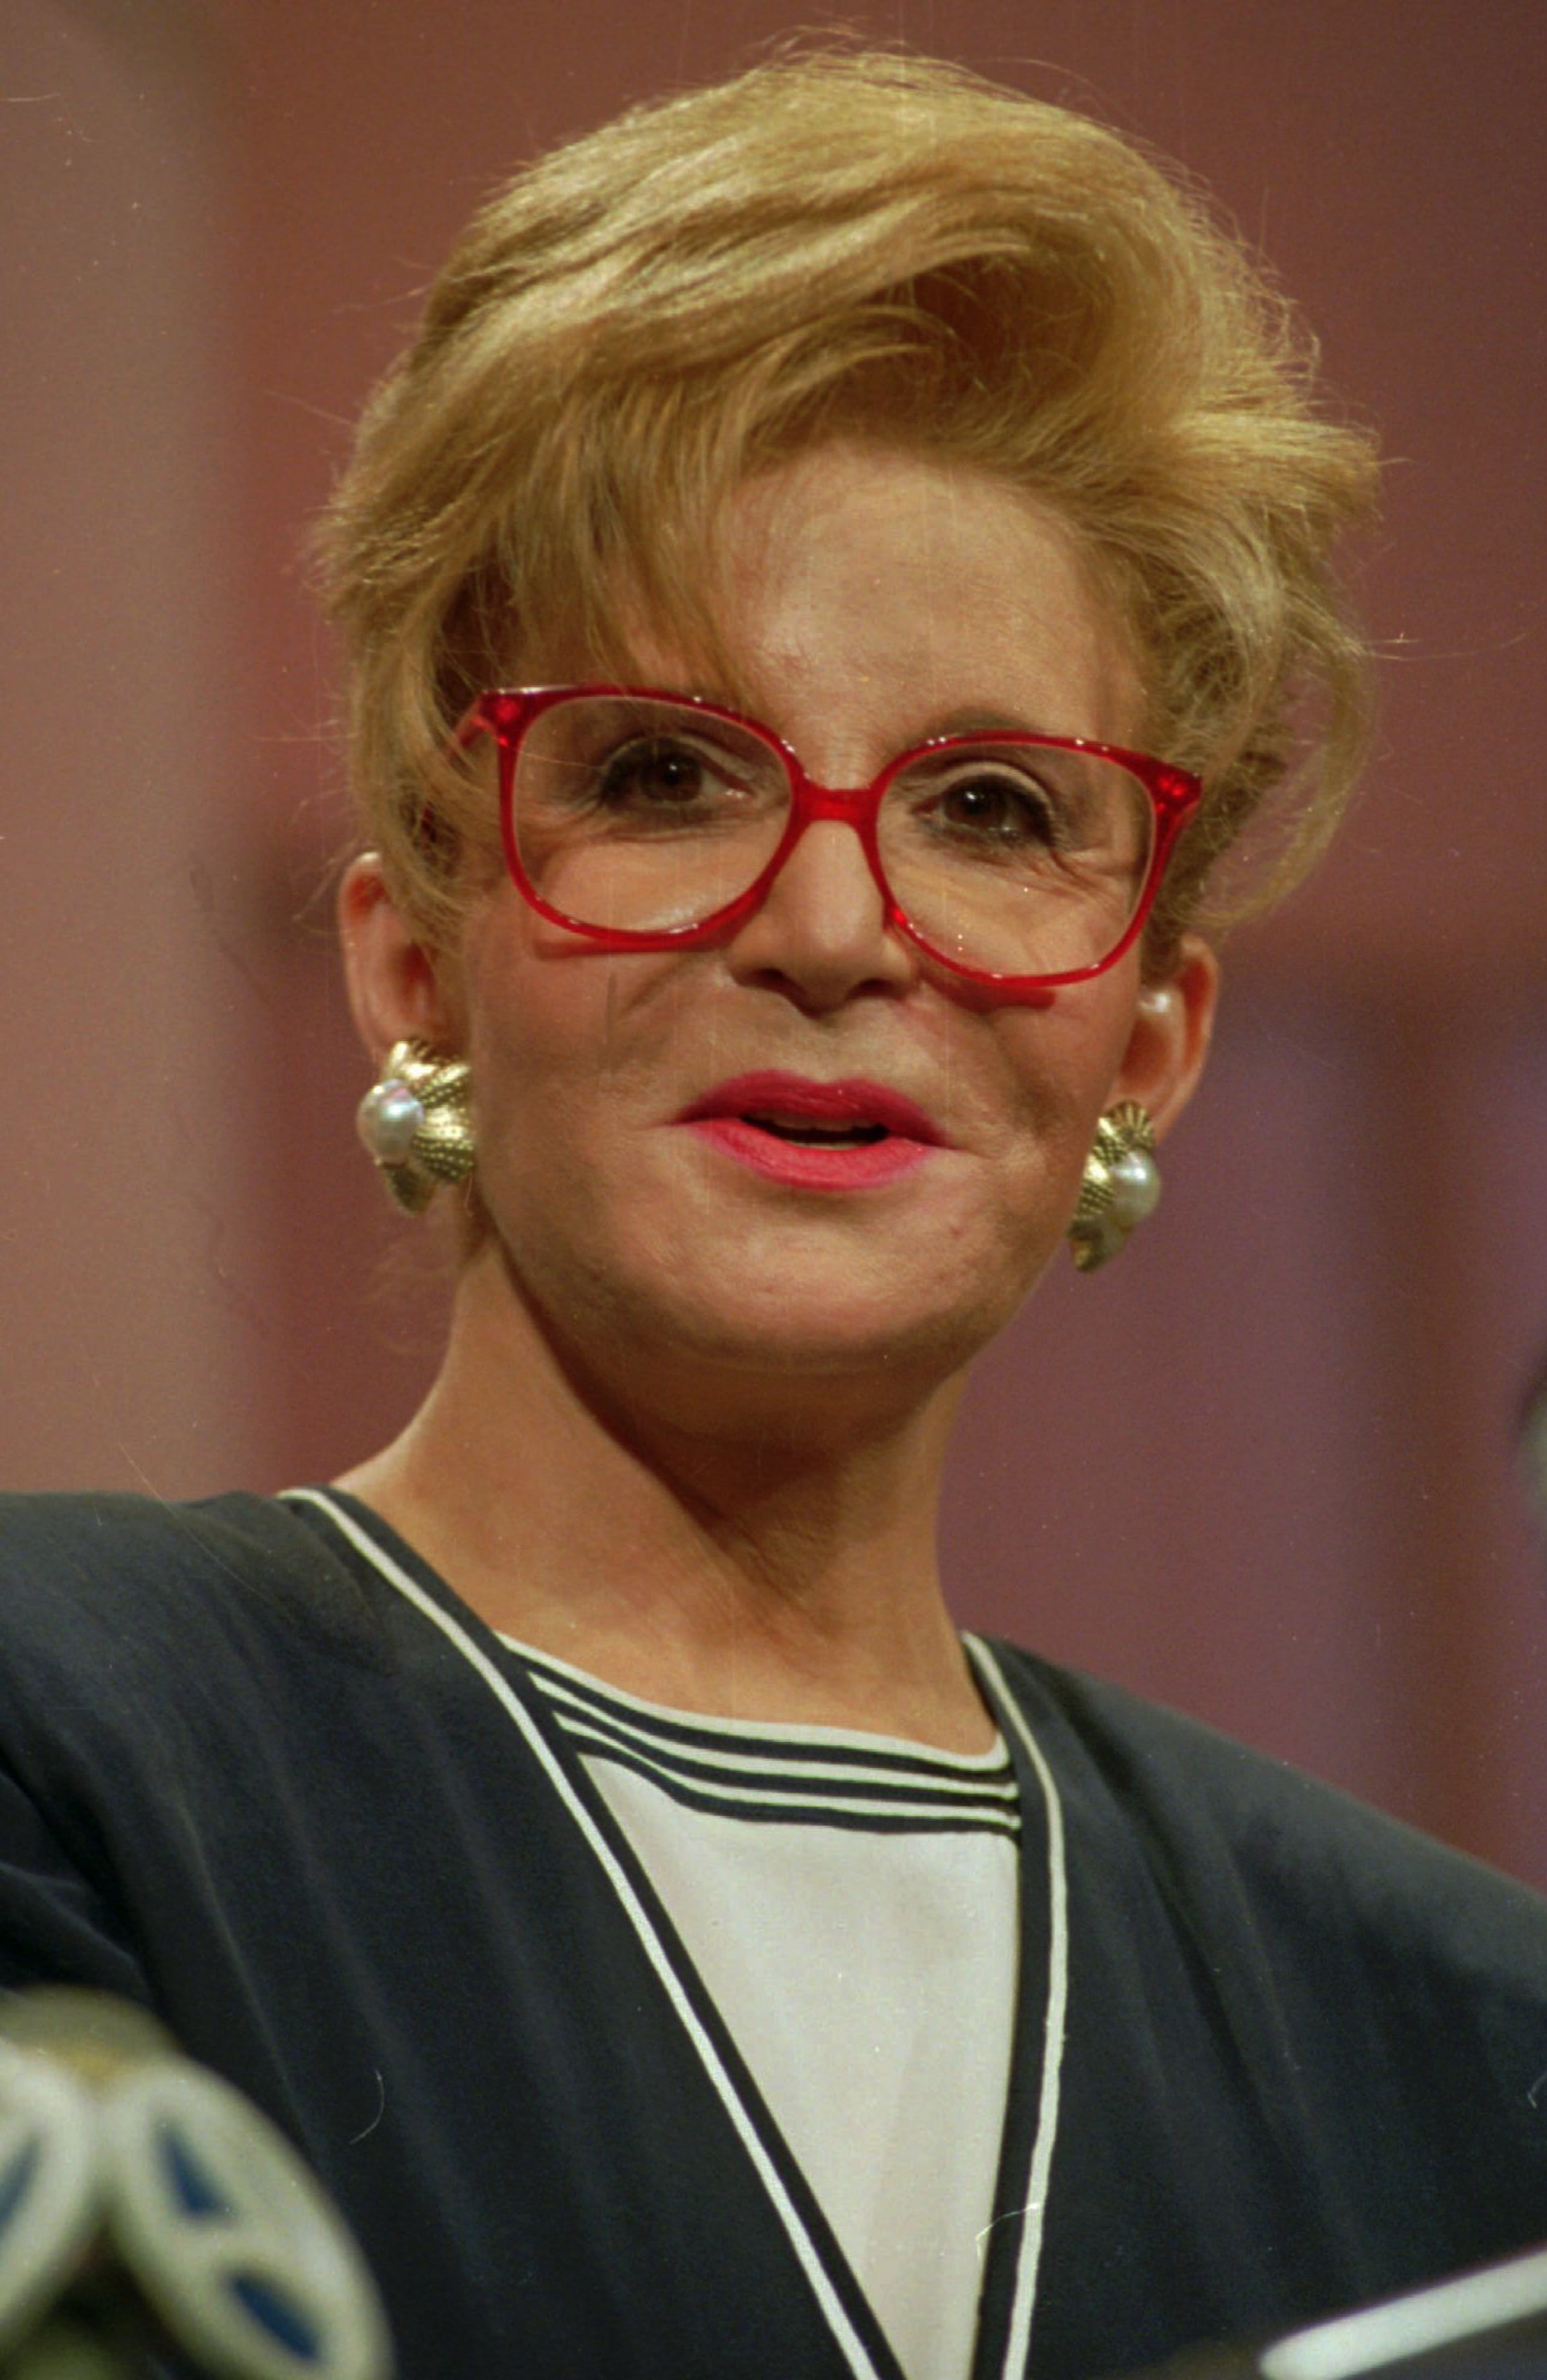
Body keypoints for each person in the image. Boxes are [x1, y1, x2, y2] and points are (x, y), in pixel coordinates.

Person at [2, 47, 1545, 2380]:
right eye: (659, 772)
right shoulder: (63, 1731)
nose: (836, 924)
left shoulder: (1465, 2034)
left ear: (1146, 1040)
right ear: (416, 958)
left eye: (999, 808)